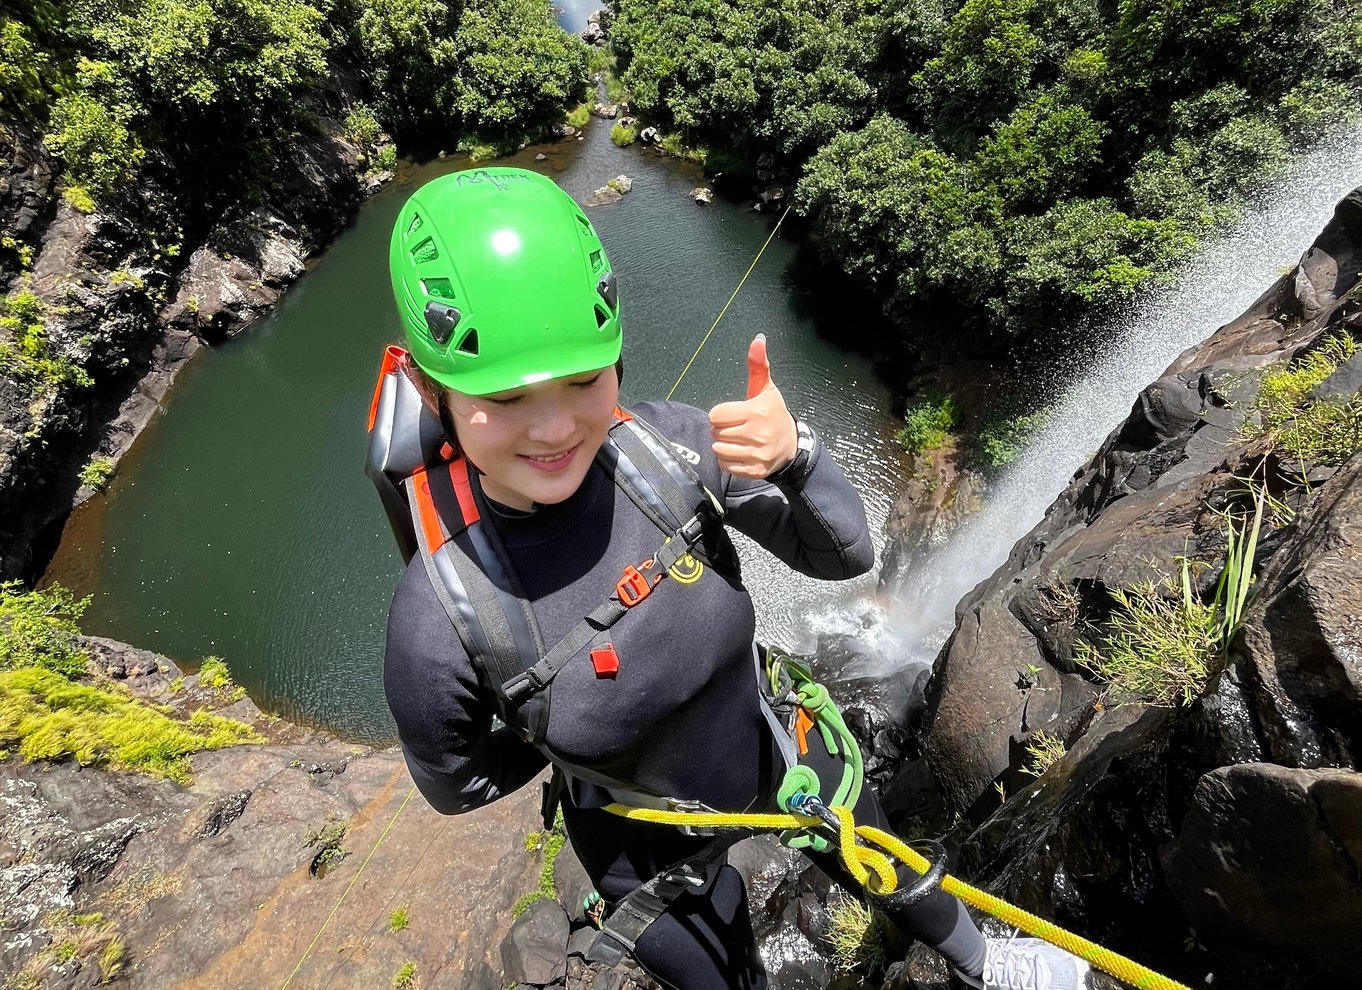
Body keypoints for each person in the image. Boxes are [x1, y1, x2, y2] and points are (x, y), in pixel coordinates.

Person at [377, 167, 1089, 990]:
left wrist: (798, 458)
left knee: (884, 855)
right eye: (503, 397)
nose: (554, 425)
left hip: (775, 747)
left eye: (583, 380)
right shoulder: (440, 619)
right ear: (435, 393)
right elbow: (456, 785)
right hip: (641, 846)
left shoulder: (665, 451)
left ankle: (983, 961)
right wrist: (550, 723)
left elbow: (842, 557)